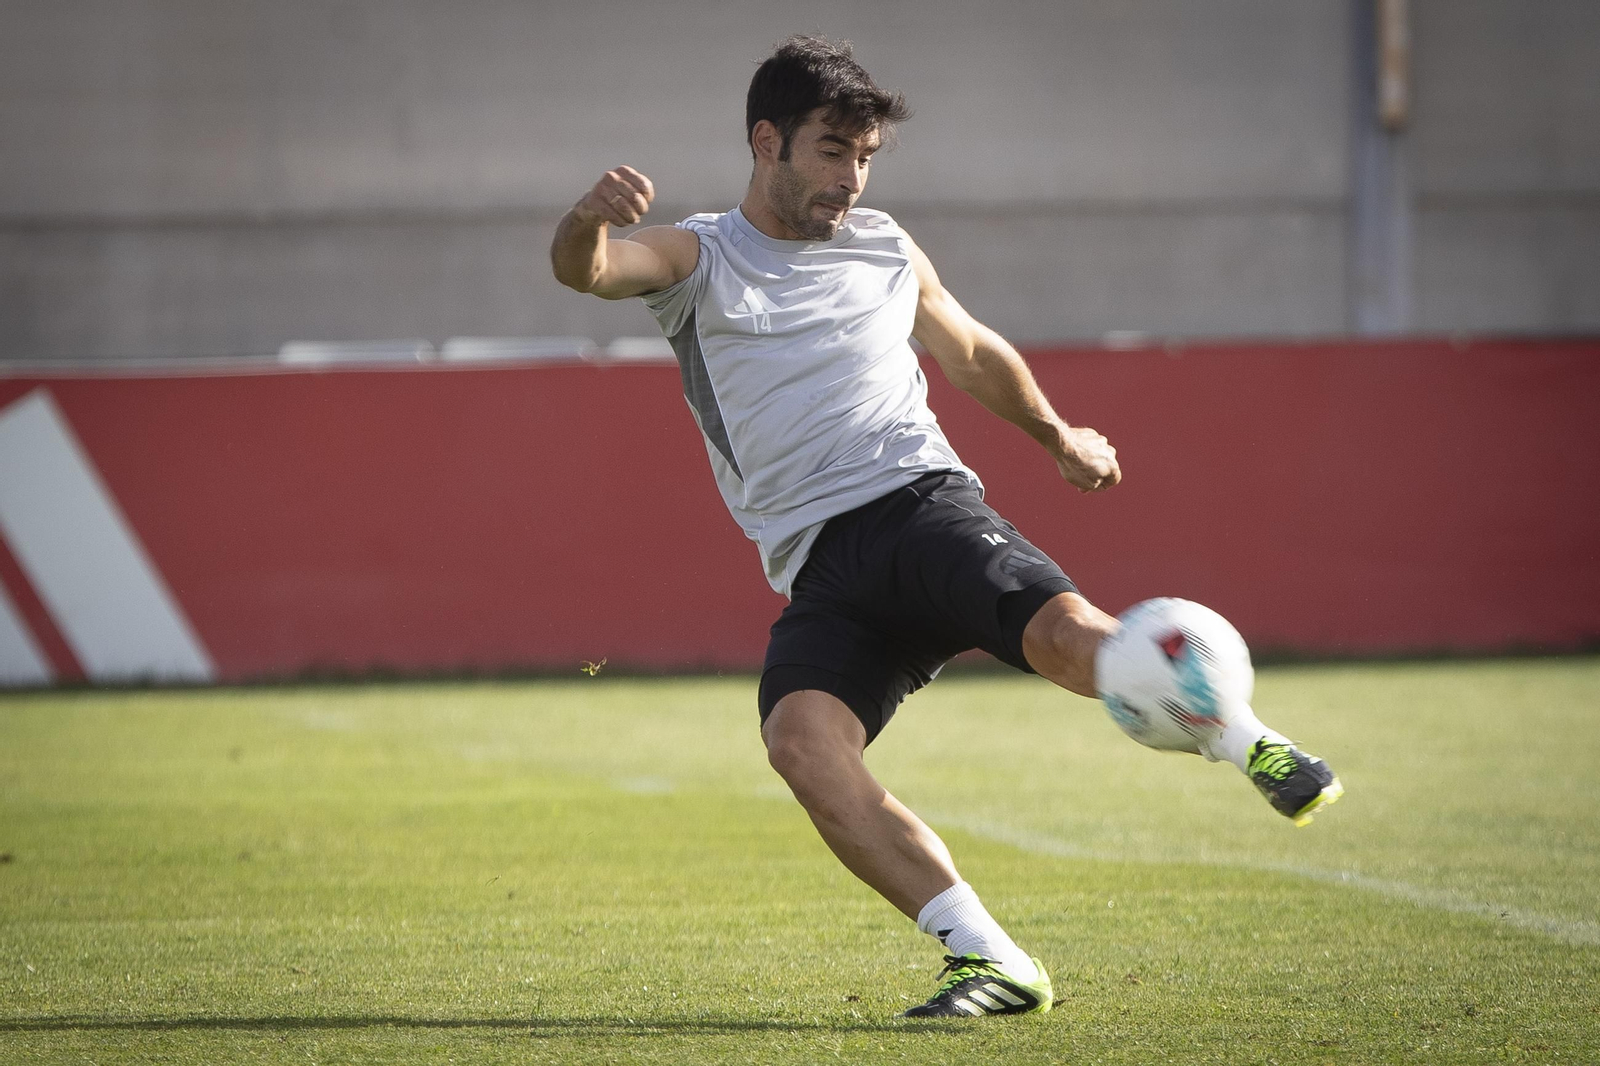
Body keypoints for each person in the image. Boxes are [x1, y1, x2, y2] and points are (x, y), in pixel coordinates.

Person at [550, 35, 1341, 1019]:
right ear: (766, 141)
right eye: (831, 150)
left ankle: (1250, 741)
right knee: (801, 743)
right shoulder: (700, 256)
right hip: (821, 569)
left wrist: (1057, 435)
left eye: (864, 156)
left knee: (1065, 640)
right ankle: (990, 960)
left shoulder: (884, 245)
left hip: (919, 506)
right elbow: (592, 270)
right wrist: (586, 219)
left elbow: (967, 349)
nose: (851, 177)